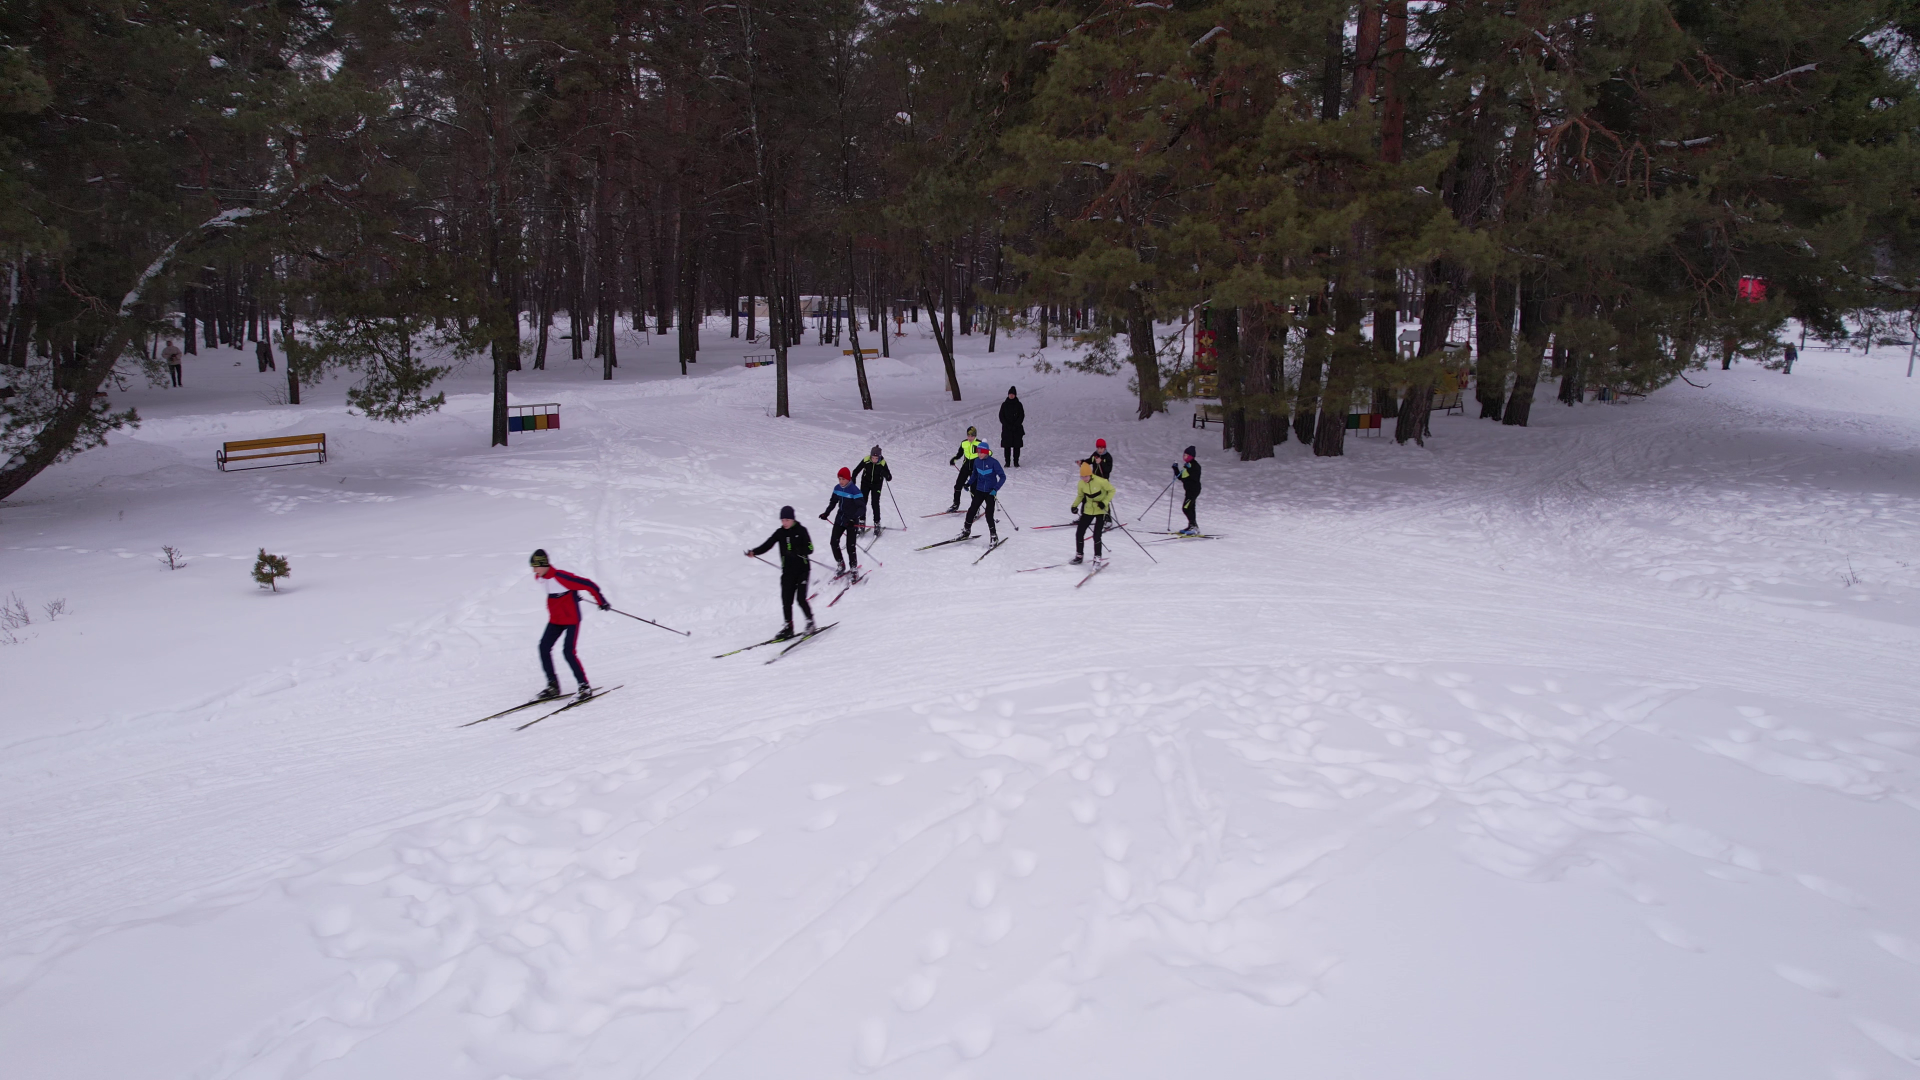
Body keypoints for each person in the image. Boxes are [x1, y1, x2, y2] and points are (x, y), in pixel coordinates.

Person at [529, 549, 609, 700]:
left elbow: (588, 585)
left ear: (544, 564)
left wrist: (601, 601)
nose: (534, 570)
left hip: (571, 620)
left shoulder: (561, 577)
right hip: (555, 620)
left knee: (568, 652)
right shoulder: (541, 578)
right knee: (543, 648)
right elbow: (559, 593)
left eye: (536, 566)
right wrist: (570, 594)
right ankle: (553, 686)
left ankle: (584, 686)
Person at [746, 506, 816, 640]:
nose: (784, 523)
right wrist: (754, 552)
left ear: (793, 519)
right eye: (782, 520)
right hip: (788, 572)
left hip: (802, 570)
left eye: (787, 520)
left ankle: (810, 622)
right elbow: (768, 544)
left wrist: (799, 550)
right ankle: (788, 628)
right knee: (786, 600)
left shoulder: (801, 531)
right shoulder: (780, 533)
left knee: (801, 599)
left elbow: (810, 548)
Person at [819, 467, 866, 575]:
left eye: (843, 479)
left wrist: (853, 518)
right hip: (840, 519)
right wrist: (826, 513)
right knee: (833, 542)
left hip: (852, 521)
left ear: (848, 479)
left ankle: (854, 569)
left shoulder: (855, 491)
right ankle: (841, 564)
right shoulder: (837, 488)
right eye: (839, 479)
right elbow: (833, 502)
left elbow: (862, 508)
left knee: (850, 546)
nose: (841, 481)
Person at [1069, 460, 1115, 564]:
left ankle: (1097, 558)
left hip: (1100, 510)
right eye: (1082, 477)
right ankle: (1079, 555)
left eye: (1086, 476)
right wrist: (1074, 505)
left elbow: (1112, 490)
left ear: (1090, 474)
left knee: (1096, 535)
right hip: (1088, 510)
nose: (1084, 479)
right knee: (1079, 533)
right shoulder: (1081, 484)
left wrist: (1105, 502)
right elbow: (1080, 495)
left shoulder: (1101, 481)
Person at [959, 441, 1006, 542]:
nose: (979, 454)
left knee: (989, 514)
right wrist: (968, 484)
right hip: (979, 490)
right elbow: (975, 475)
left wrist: (995, 489)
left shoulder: (994, 462)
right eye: (978, 452)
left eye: (981, 452)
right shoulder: (977, 461)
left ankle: (994, 536)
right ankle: (966, 531)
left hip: (990, 492)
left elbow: (1003, 477)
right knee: (971, 510)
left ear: (987, 452)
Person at [854, 445, 892, 532]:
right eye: (873, 458)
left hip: (876, 485)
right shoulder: (866, 460)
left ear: (879, 457)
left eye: (876, 458)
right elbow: (856, 470)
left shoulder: (882, 463)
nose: (874, 460)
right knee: (862, 502)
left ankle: (877, 523)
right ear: (870, 456)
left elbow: (889, 478)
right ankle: (861, 522)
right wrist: (853, 479)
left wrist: (883, 473)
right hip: (865, 484)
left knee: (875, 503)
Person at [947, 425, 982, 511]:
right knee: (958, 485)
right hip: (965, 467)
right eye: (968, 435)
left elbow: (986, 455)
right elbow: (960, 454)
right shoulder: (964, 443)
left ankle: (976, 508)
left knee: (973, 489)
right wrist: (954, 459)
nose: (970, 438)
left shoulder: (979, 444)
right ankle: (956, 504)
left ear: (975, 436)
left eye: (972, 436)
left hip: (975, 469)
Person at [1173, 445, 1202, 534]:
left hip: (1193, 490)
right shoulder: (1187, 466)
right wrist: (1175, 469)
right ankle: (1192, 526)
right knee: (1191, 507)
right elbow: (1181, 477)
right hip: (1189, 490)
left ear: (1191, 456)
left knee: (1186, 508)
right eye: (1184, 455)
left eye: (1186, 455)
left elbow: (1194, 478)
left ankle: (1193, 527)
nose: (1184, 456)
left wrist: (1189, 469)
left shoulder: (1195, 465)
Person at [999, 387, 1026, 467]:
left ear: (1015, 395)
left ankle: (1016, 462)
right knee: (1007, 447)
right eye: (1010, 394)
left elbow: (1021, 416)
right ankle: (1007, 462)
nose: (1011, 396)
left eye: (1013, 394)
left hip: (1016, 429)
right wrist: (1007, 425)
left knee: (1016, 446)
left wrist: (1016, 425)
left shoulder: (1019, 404)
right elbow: (1001, 416)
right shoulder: (1004, 404)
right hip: (1007, 429)